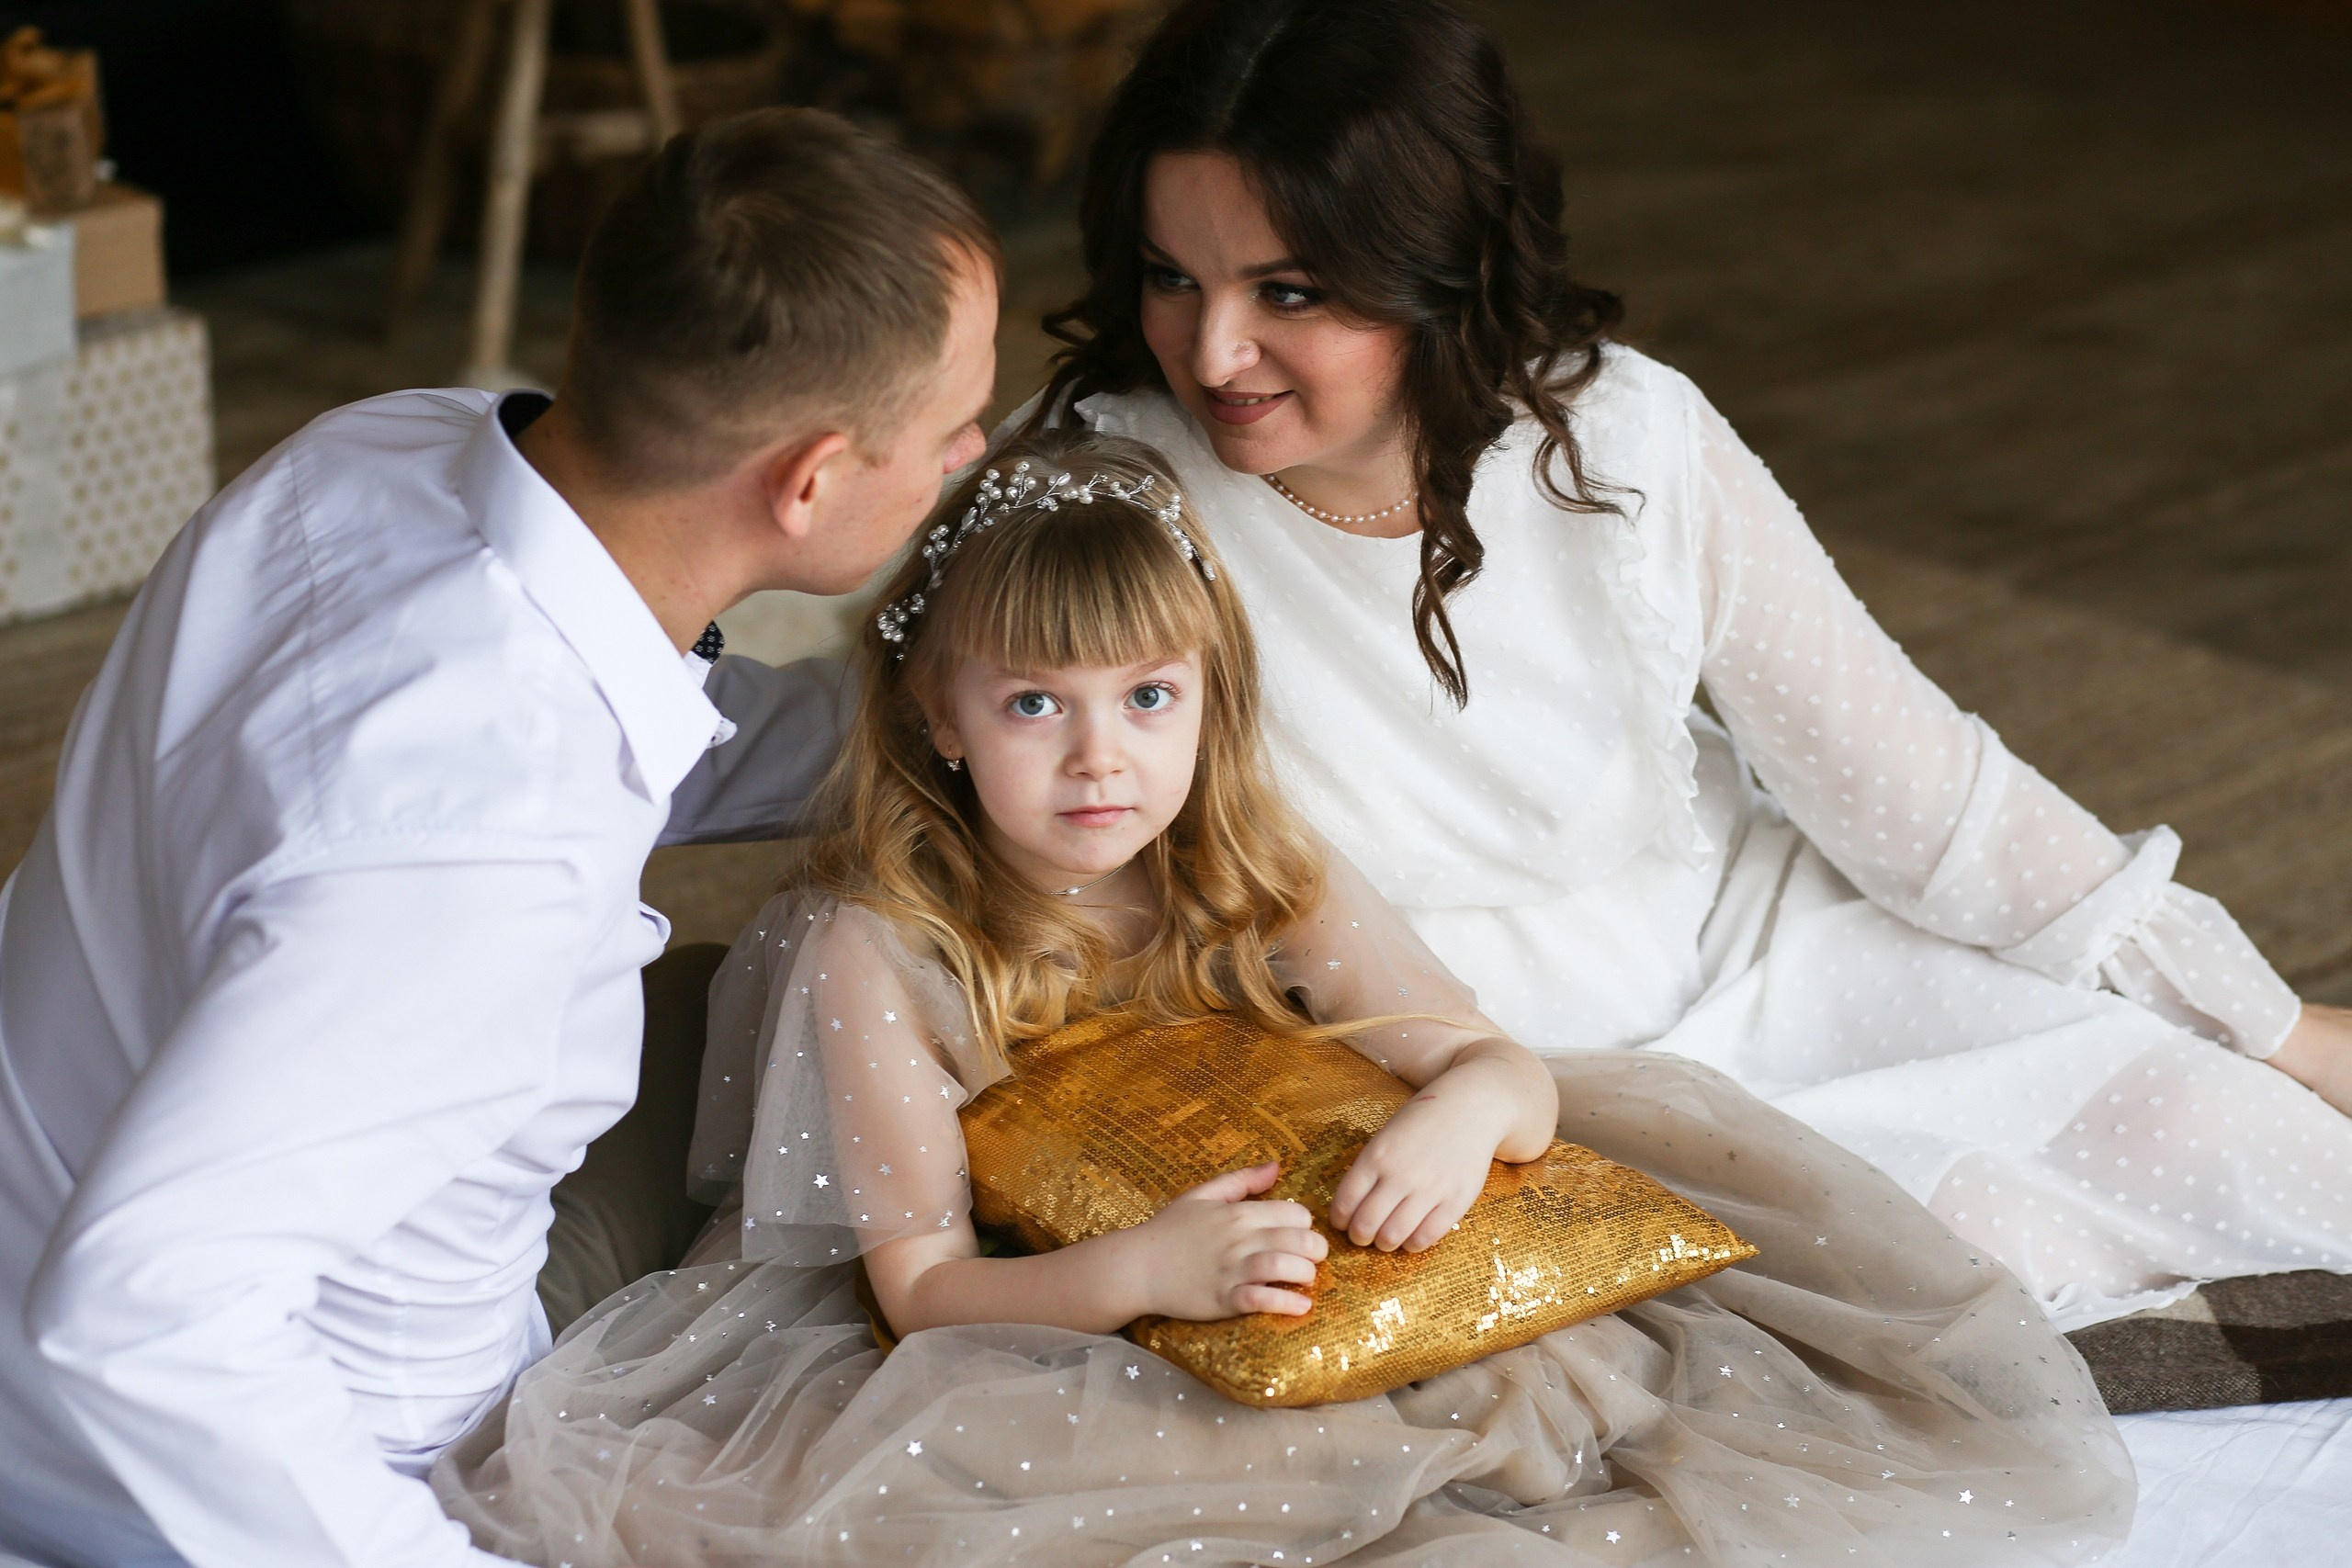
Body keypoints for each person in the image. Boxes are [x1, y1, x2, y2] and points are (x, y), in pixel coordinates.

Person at [430, 427, 2132, 1568]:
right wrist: (1152, 1272)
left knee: (1607, 1376)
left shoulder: (1245, 863)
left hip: (1284, 1260)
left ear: (1206, 694)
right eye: (1035, 706)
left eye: (1147, 696)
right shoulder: (874, 947)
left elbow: (1489, 1058)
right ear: (939, 712)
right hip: (1046, 1295)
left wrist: (1469, 1112)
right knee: (1128, 1490)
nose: (1104, 758)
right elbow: (927, 1294)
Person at [1022, 0, 2352, 1333]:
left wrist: (2275, 1027)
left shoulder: (1621, 431)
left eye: (1288, 291)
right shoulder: (1110, 494)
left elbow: (1927, 801)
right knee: (1954, 1259)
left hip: (1758, 947)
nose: (1212, 351)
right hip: (1466, 1078)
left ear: (1434, 264)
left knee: (2226, 1138)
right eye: (1172, 277)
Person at [0, 109, 999, 1568]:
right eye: (957, 427)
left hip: (41, 1157)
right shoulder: (469, 861)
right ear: (812, 480)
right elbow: (143, 1312)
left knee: (776, 995)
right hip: (316, 1447)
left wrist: (986, 740)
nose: (977, 450)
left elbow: (619, 718)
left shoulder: (389, 448)